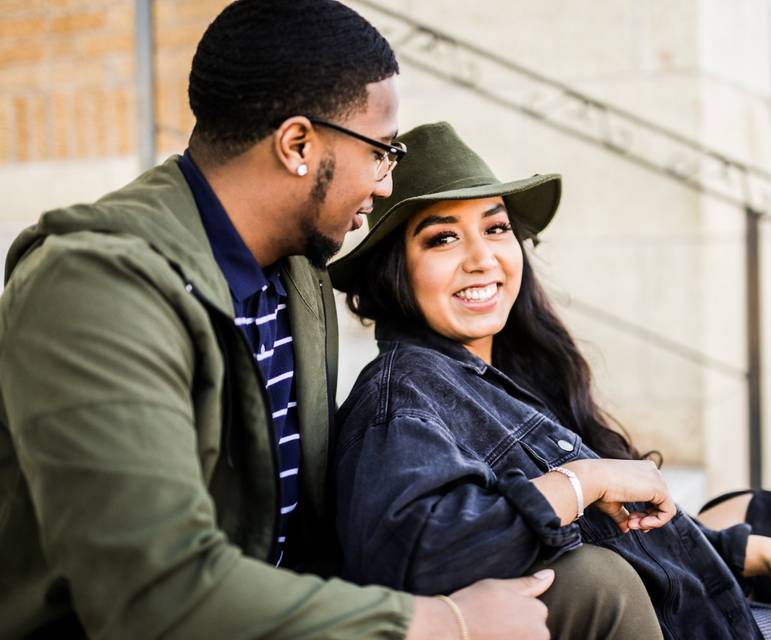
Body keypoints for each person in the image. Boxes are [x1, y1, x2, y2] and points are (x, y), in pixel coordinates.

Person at [0, 2, 663, 638]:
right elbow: (152, 595)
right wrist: (441, 624)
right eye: (382, 152)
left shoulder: (299, 277)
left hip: (302, 611)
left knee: (590, 585)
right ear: (297, 145)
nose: (383, 186)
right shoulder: (95, 287)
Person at [330, 121, 771, 639]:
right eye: (443, 237)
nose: (483, 258)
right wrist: (584, 480)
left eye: (497, 227)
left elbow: (609, 532)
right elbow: (416, 553)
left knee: (770, 514)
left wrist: (750, 552)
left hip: (652, 587)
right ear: (395, 271)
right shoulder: (405, 396)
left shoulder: (496, 366)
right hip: (636, 613)